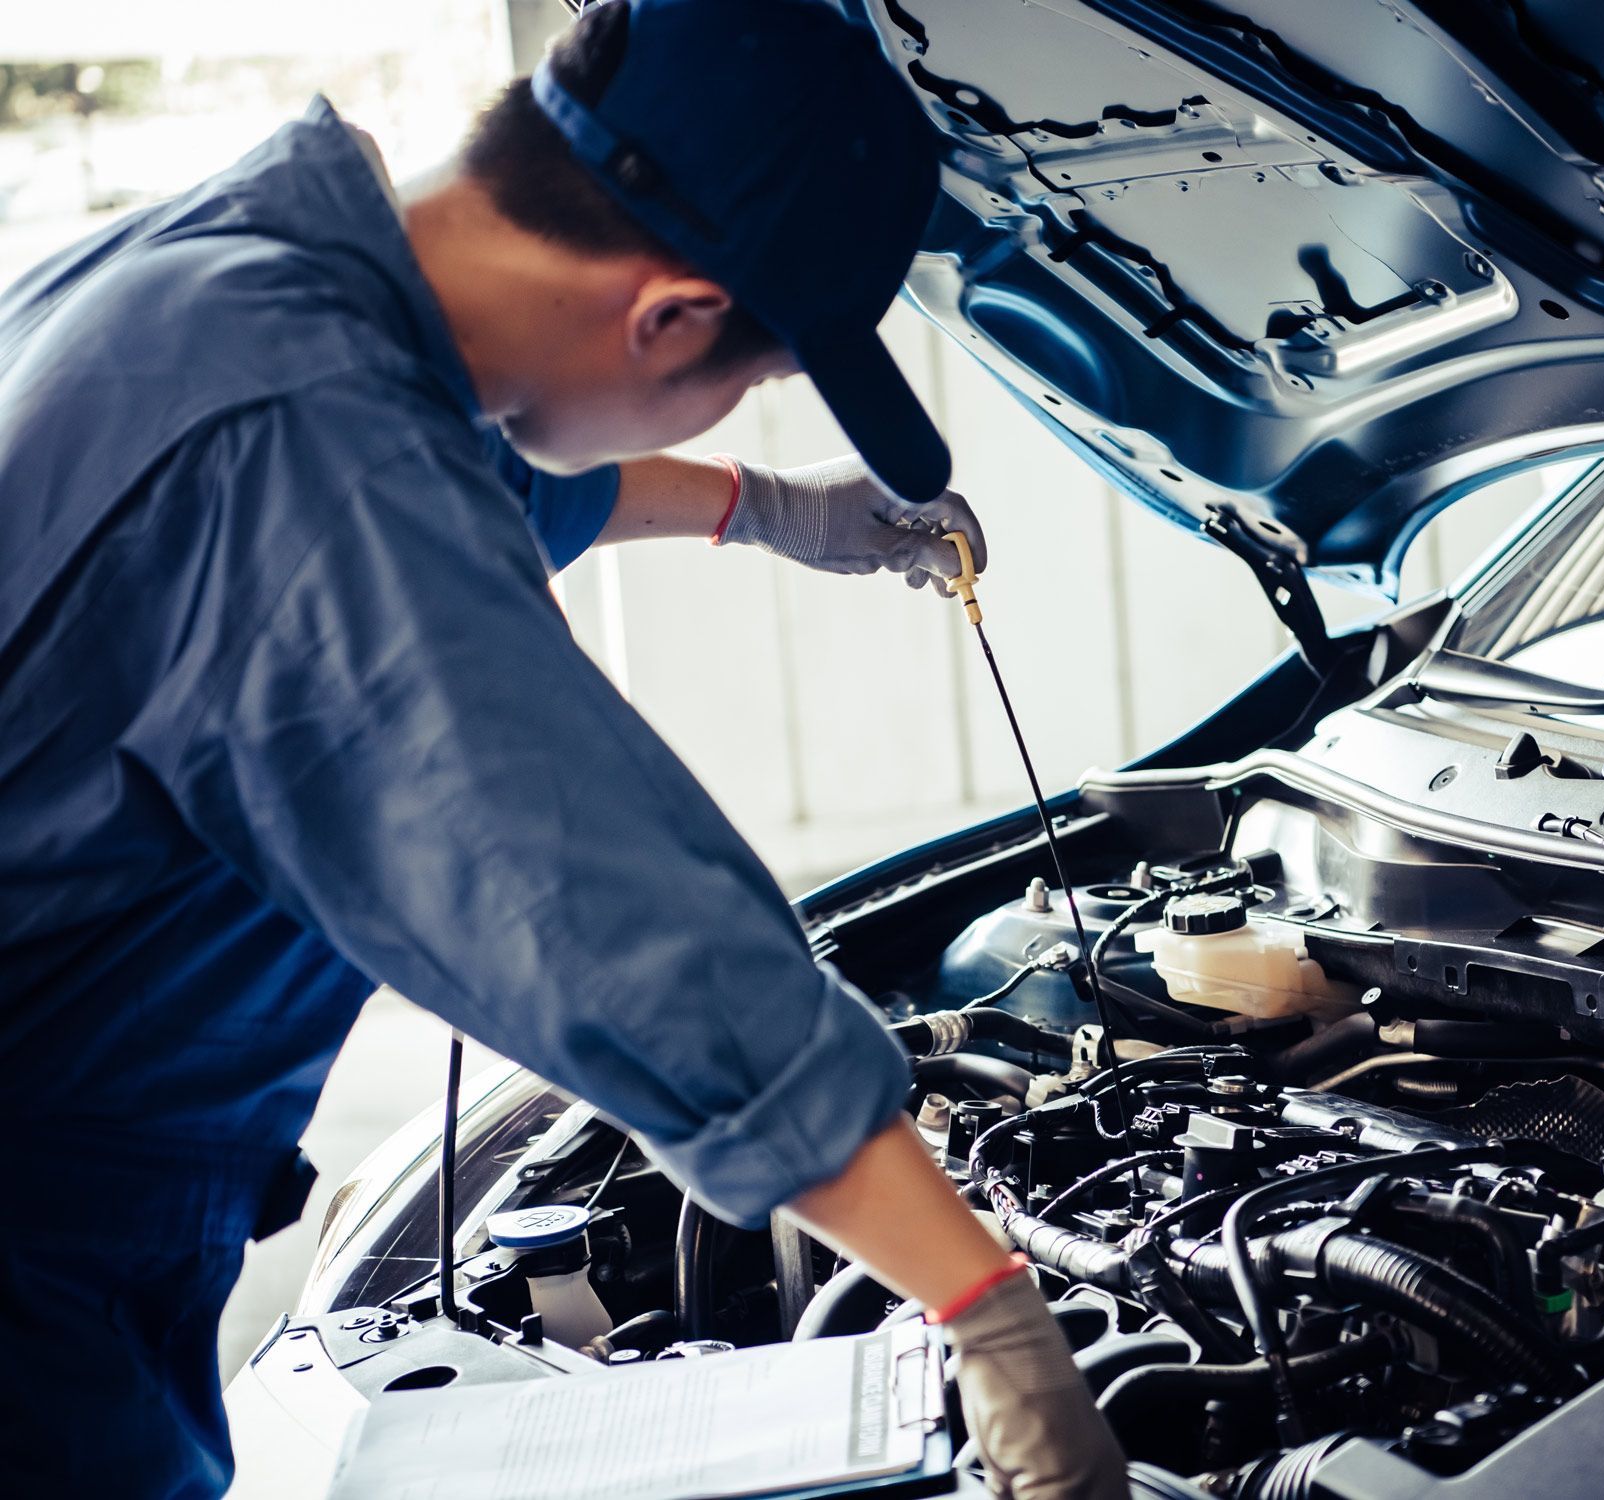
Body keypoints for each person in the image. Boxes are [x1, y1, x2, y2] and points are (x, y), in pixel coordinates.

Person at [0, 1, 1130, 1495]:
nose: (735, 405)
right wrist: (990, 1314)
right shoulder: (300, 452)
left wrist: (771, 509)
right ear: (668, 316)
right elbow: (596, 912)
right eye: (751, 374)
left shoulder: (241, 266)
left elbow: (459, 466)